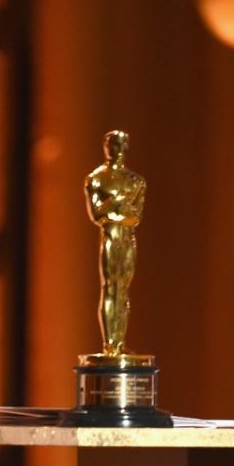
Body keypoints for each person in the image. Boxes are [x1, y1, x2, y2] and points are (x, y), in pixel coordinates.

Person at [84, 129, 146, 356]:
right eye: (112, 144)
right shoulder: (97, 179)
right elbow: (98, 213)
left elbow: (136, 215)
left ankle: (119, 343)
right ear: (105, 147)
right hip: (110, 235)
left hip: (127, 237)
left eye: (120, 144)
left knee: (123, 289)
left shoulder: (136, 181)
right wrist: (119, 205)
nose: (116, 149)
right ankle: (110, 345)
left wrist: (114, 207)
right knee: (110, 287)